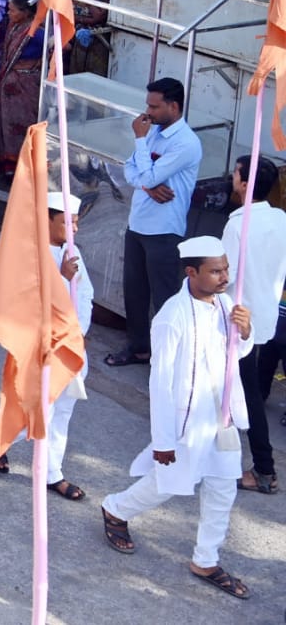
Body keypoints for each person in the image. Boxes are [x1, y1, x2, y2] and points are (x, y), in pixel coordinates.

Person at [100, 235, 254, 601]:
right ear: (191, 272)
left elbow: (236, 354)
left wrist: (245, 332)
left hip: (222, 419)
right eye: (215, 271)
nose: (224, 276)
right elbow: (161, 382)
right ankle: (115, 507)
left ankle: (206, 559)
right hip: (187, 423)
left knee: (222, 489)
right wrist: (164, 441)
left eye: (226, 268)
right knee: (168, 483)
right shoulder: (171, 317)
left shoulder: (226, 305)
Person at [0, 193, 95, 500]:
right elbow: (31, 302)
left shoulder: (74, 253)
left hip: (70, 345)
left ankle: (52, 473)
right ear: (47, 219)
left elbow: (85, 297)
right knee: (34, 408)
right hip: (39, 346)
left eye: (76, 222)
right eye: (66, 222)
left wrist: (77, 332)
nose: (74, 229)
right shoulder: (30, 254)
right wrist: (61, 279)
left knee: (62, 411)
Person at [108, 78, 203, 368]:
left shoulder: (185, 143)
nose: (147, 112)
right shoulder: (154, 133)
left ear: (173, 106)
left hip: (164, 230)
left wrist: (140, 146)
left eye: (154, 106)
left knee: (164, 296)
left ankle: (167, 357)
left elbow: (144, 173)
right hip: (138, 223)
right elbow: (129, 170)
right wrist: (148, 187)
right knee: (134, 291)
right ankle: (138, 347)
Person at [221, 155, 286, 494]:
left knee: (244, 393)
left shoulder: (238, 224)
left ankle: (264, 469)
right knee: (241, 387)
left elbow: (223, 274)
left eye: (235, 174)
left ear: (245, 185)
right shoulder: (281, 220)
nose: (231, 178)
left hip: (237, 318)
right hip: (263, 315)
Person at [0, 0, 45, 177]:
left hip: (25, 87)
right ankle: (3, 164)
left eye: (12, 10)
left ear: (25, 13)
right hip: (9, 85)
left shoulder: (36, 32)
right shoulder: (15, 27)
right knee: (4, 124)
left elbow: (59, 47)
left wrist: (38, 63)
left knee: (20, 125)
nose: (9, 13)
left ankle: (18, 168)